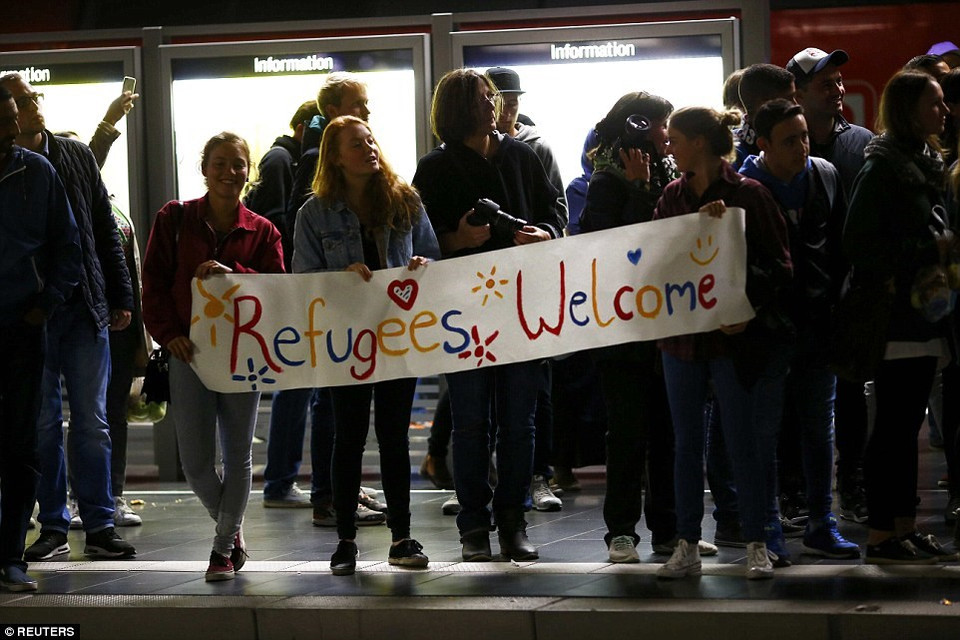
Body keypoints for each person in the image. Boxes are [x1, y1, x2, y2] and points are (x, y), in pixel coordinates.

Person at [412, 68, 564, 562]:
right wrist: (456, 239)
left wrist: (545, 234)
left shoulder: (522, 155)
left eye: (491, 96)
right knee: (471, 423)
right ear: (459, 108)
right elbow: (416, 242)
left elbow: (555, 213)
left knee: (520, 423)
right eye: (481, 97)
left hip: (521, 306)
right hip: (465, 312)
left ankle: (514, 520)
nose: (492, 104)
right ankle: (474, 525)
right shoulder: (434, 168)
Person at [293, 115, 440, 575]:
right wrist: (338, 279)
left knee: (394, 436)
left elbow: (434, 257)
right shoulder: (314, 213)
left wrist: (420, 265)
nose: (369, 148)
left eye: (371, 140)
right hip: (346, 338)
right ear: (335, 157)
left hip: (397, 335)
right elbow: (303, 279)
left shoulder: (405, 201)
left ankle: (401, 537)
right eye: (357, 144)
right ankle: (346, 540)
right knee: (349, 436)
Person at [2, 73, 137, 563]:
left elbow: (103, 226)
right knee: (42, 425)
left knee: (92, 421)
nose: (33, 105)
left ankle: (99, 523)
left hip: (83, 305)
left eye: (33, 97)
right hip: (34, 313)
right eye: (22, 101)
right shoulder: (13, 168)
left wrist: (120, 296)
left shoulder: (73, 155)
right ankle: (54, 526)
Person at [580, 91, 720, 563]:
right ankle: (621, 532)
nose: (666, 134)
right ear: (637, 127)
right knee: (627, 433)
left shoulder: (673, 178)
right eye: (661, 124)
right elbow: (616, 248)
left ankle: (670, 529)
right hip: (624, 330)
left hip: (667, 325)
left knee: (668, 432)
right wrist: (639, 191)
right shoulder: (606, 181)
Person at [653, 106, 792, 580]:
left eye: (674, 139)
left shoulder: (749, 195)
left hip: (733, 341)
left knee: (742, 441)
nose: (668, 147)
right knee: (686, 444)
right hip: (681, 340)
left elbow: (780, 266)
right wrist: (695, 228)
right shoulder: (672, 196)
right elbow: (655, 260)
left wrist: (745, 307)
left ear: (698, 143)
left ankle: (757, 542)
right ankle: (687, 543)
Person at [141, 131, 284, 581]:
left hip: (244, 355)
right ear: (204, 168)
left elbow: (278, 291)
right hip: (189, 353)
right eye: (220, 163)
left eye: (238, 164)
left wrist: (233, 274)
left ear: (249, 171)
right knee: (197, 464)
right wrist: (169, 336)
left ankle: (222, 548)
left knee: (238, 455)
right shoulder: (174, 219)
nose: (229, 172)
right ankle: (234, 530)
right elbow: (153, 285)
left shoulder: (263, 231)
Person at [738, 99, 860, 560]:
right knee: (765, 432)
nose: (802, 147)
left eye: (804, 136)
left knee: (818, 429)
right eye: (790, 140)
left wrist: (840, 309)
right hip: (767, 330)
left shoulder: (823, 175)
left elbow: (841, 248)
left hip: (816, 324)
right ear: (763, 144)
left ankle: (820, 520)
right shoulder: (745, 188)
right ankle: (768, 523)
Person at [843, 71, 957, 564]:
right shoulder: (882, 166)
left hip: (925, 314)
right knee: (892, 428)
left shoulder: (923, 161)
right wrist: (929, 248)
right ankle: (880, 534)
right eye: (935, 103)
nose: (944, 111)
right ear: (909, 110)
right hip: (894, 319)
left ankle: (905, 528)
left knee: (908, 427)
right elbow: (859, 243)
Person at [284, 74, 386, 526]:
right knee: (334, 409)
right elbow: (301, 233)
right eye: (359, 104)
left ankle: (340, 489)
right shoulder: (314, 167)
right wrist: (336, 279)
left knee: (355, 418)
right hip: (339, 324)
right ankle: (329, 494)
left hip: (379, 322)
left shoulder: (391, 198)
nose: (367, 112)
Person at [786, 46, 875, 525]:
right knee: (798, 397)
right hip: (798, 292)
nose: (838, 90)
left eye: (839, 81)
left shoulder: (861, 142)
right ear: (797, 93)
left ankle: (853, 481)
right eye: (826, 83)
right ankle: (797, 489)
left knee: (850, 390)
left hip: (848, 289)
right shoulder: (784, 146)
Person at [0, 84, 81, 591]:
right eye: (4, 119)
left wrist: (43, 307)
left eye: (15, 116)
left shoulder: (38, 171)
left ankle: (11, 557)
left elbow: (68, 246)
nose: (14, 127)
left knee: (21, 445)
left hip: (21, 328)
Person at [485, 66, 567, 512]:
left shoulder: (535, 149)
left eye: (513, 100)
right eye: (500, 100)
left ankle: (538, 476)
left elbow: (558, 211)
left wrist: (547, 234)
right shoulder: (459, 153)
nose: (507, 108)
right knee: (481, 391)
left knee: (537, 388)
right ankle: (483, 480)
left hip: (530, 284)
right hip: (483, 288)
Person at [733, 63, 797, 168]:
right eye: (788, 100)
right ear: (764, 105)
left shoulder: (800, 139)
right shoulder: (733, 156)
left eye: (794, 97)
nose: (795, 105)